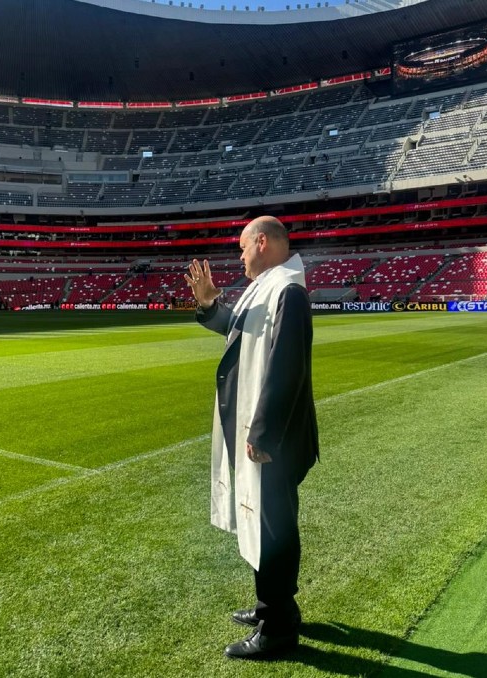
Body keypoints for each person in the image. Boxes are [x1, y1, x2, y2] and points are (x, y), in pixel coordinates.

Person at [182, 216, 319, 660]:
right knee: (266, 524)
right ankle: (275, 609)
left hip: (274, 439)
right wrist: (209, 304)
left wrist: (264, 433)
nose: (239, 255)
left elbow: (287, 366)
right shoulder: (270, 287)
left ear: (262, 242)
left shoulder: (287, 291)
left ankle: (277, 627)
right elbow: (240, 332)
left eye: (242, 246)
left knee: (273, 528)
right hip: (269, 434)